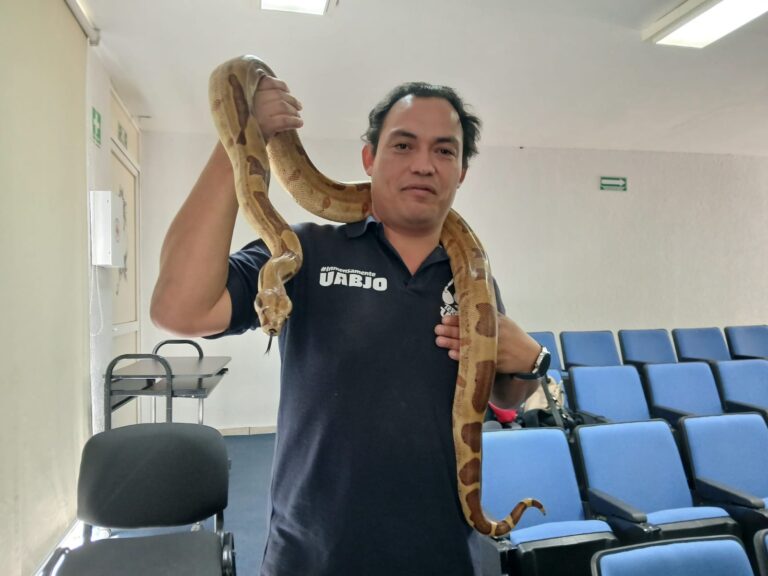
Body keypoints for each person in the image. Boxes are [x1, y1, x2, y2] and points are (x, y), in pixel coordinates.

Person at [151, 75, 544, 576]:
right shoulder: (303, 251)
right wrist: (239, 136)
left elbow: (505, 397)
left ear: (461, 171)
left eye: (444, 151)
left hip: (440, 552)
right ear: (369, 159)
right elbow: (179, 309)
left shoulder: (472, 276)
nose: (424, 163)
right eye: (403, 144)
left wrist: (532, 361)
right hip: (314, 554)